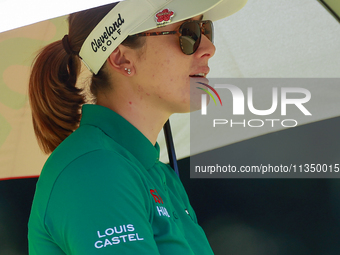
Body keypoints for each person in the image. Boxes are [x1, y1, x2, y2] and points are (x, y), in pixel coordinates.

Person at [28, 0, 247, 254]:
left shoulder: (157, 174)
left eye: (205, 30)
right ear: (121, 58)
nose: (209, 47)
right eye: (188, 33)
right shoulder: (96, 170)